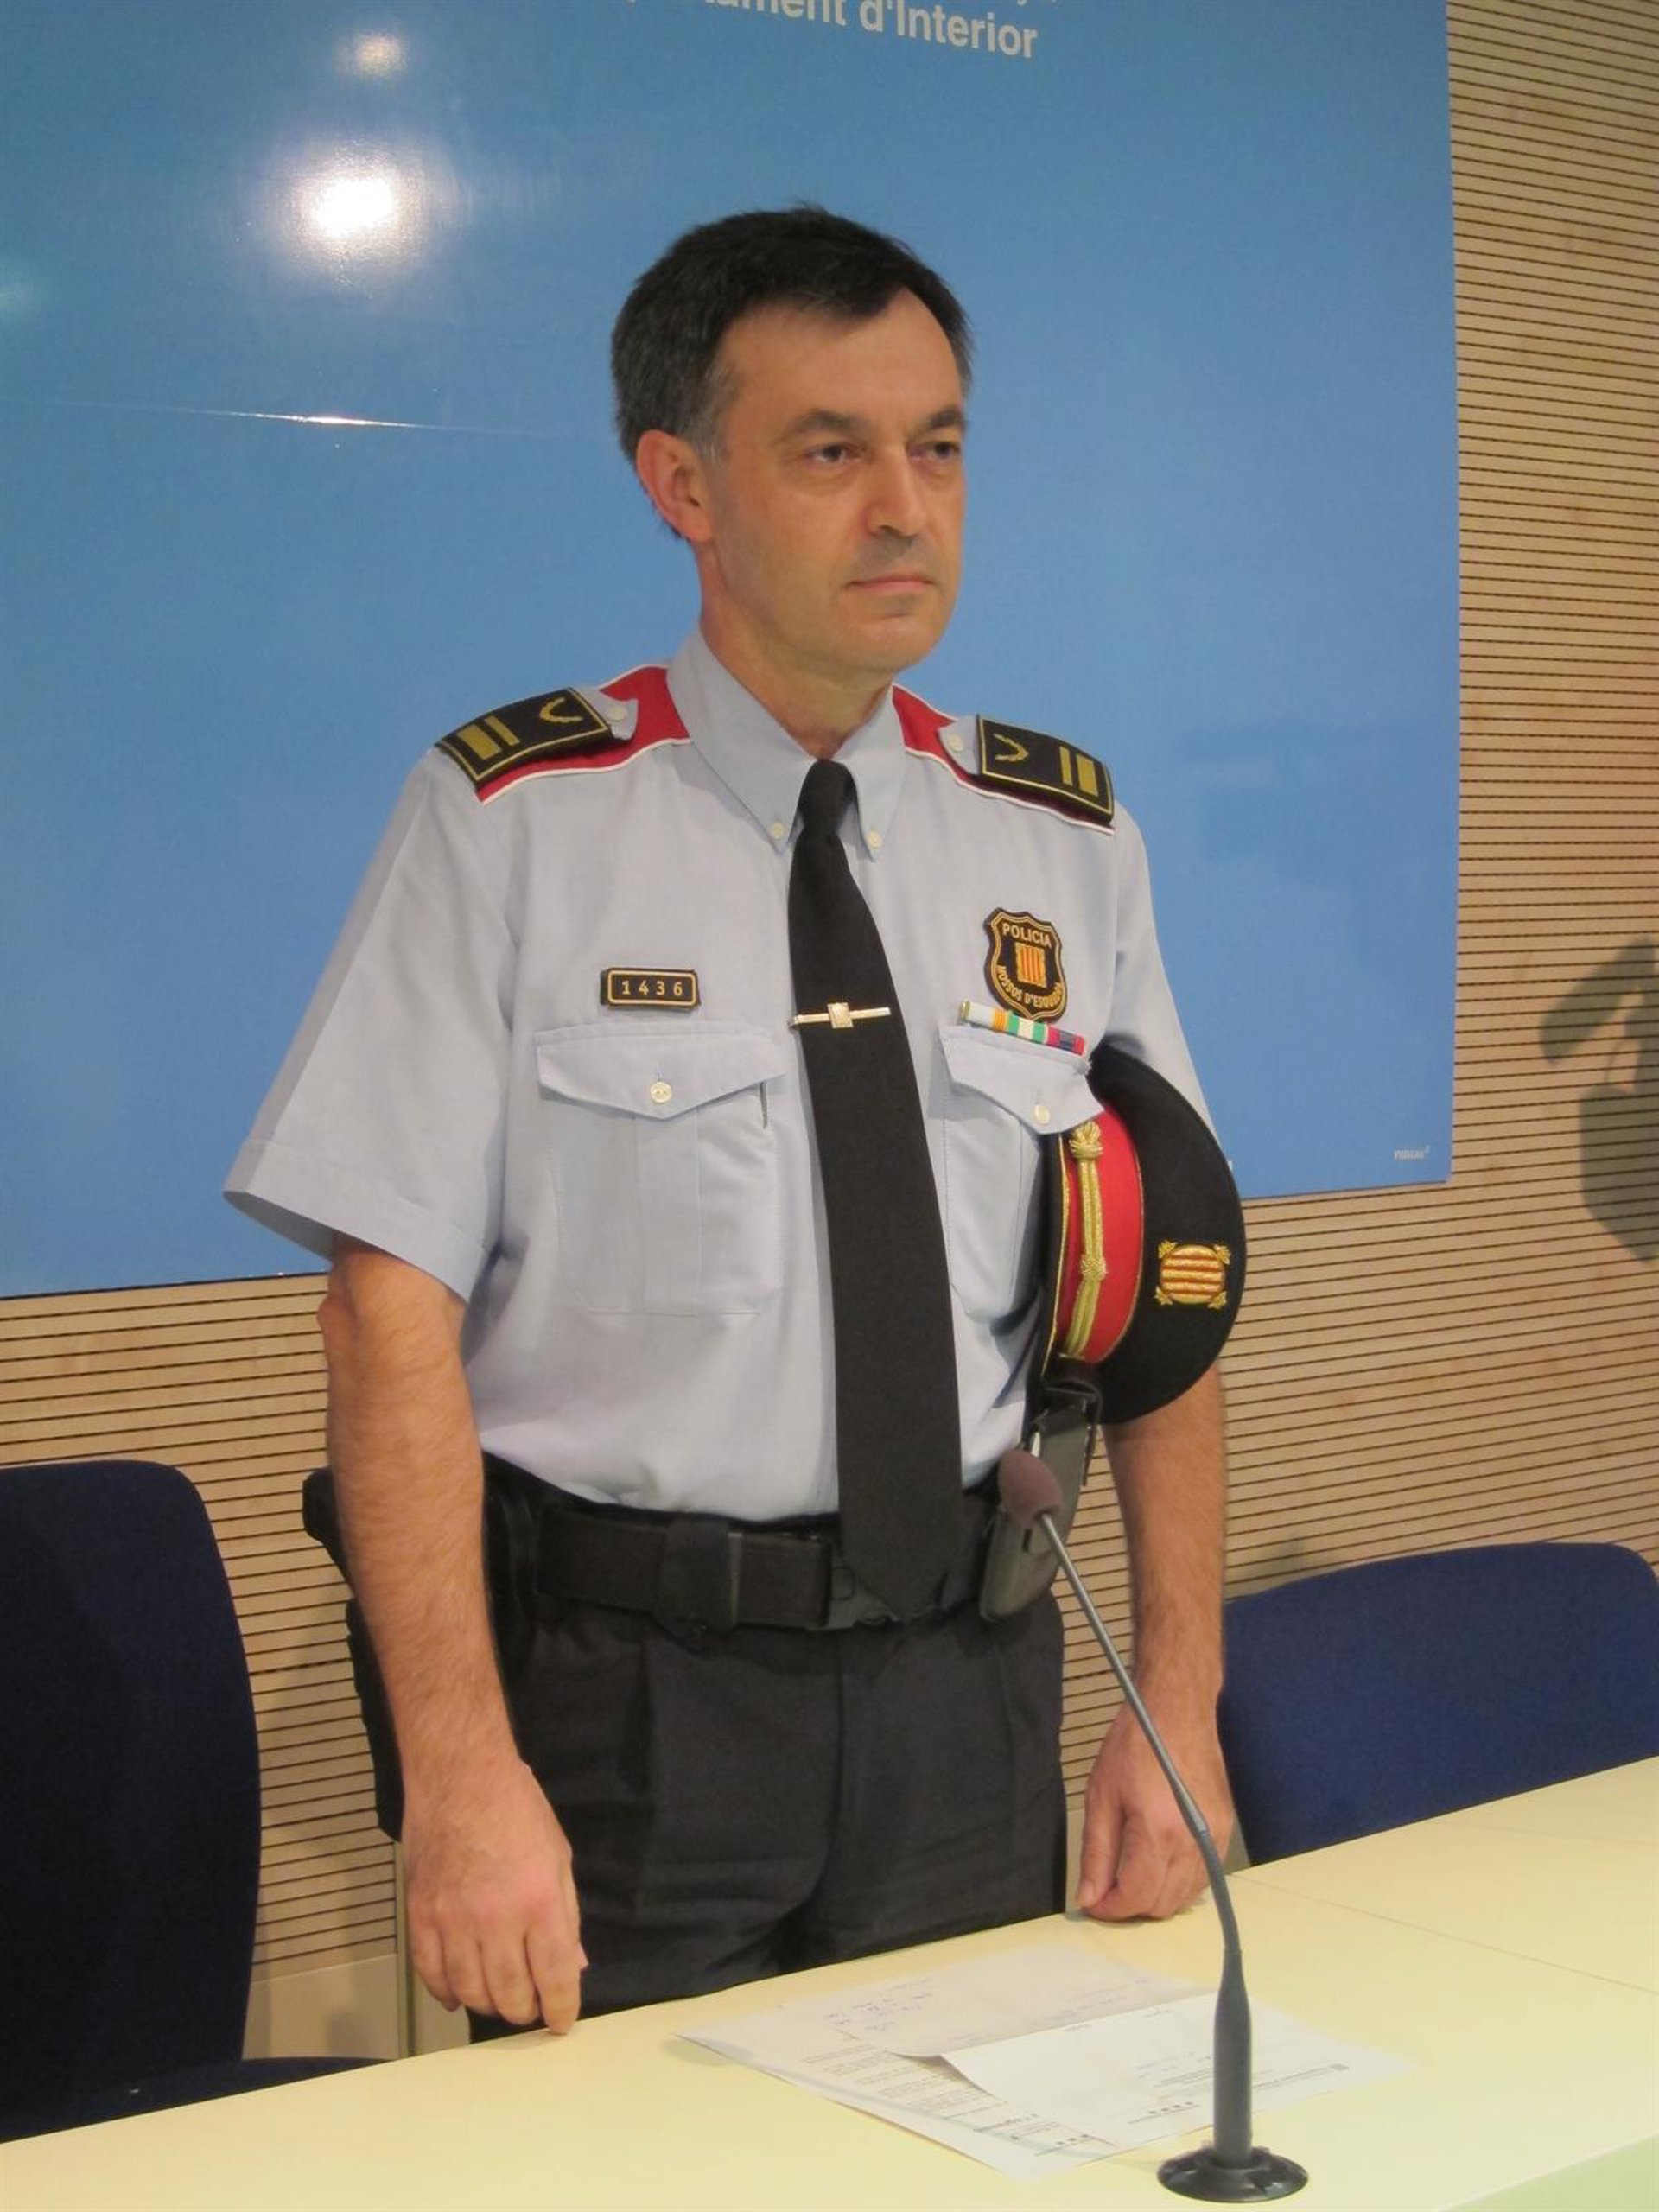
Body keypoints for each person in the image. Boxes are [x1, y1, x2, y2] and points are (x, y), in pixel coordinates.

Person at [226, 206, 1235, 2039]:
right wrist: (458, 1775)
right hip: (631, 1719)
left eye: (938, 448)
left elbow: (1162, 1291)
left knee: (977, 2145)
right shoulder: (515, 818)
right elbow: (384, 1316)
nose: (906, 510)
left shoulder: (1063, 840)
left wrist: (1177, 1703)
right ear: (681, 484)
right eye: (832, 453)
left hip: (969, 1689)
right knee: (618, 2162)